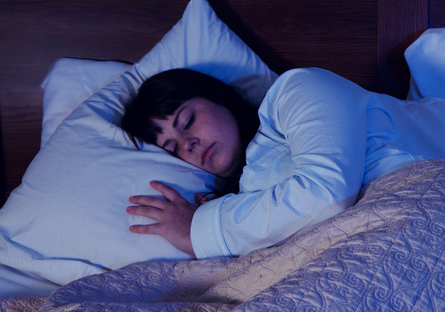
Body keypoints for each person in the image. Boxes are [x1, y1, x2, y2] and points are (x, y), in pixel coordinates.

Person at [122, 67, 420, 259]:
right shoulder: (243, 197)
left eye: (188, 121)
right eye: (173, 149)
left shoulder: (298, 90)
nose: (188, 143)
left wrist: (200, 230)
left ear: (217, 97)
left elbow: (327, 193)